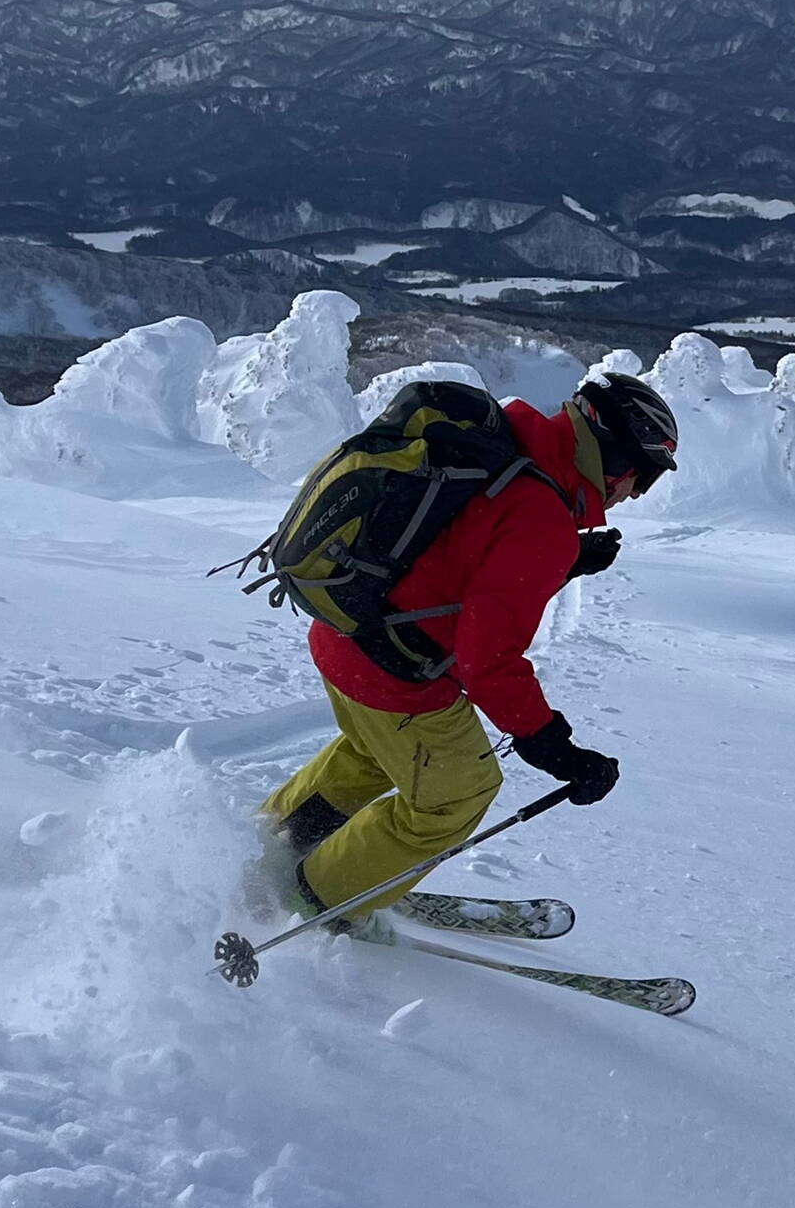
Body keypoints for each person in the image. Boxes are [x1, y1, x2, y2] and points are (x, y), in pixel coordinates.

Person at [258, 370, 679, 926]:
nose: (633, 494)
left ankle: (266, 845)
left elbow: (466, 549)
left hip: (343, 632)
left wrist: (566, 562)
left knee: (373, 755)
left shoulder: (511, 446)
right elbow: (489, 661)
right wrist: (554, 747)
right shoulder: (543, 519)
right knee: (456, 795)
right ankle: (310, 905)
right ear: (617, 459)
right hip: (395, 673)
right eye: (643, 478)